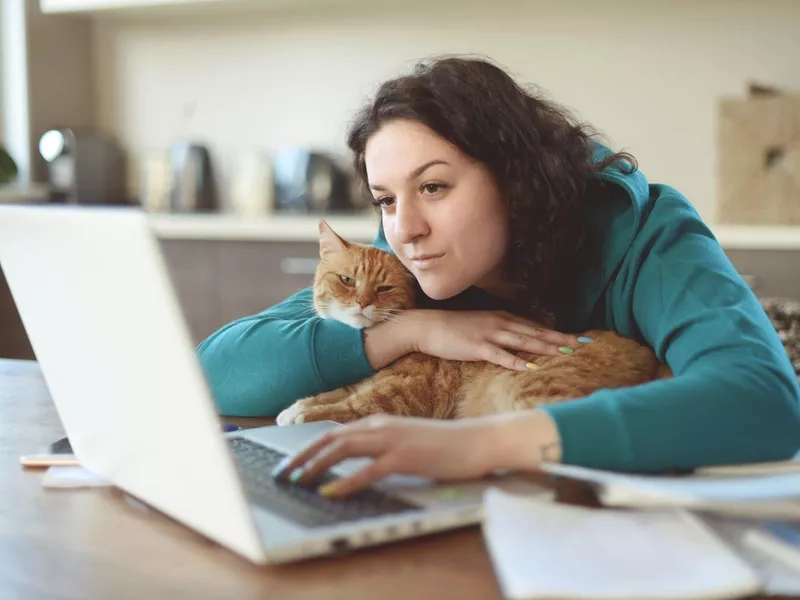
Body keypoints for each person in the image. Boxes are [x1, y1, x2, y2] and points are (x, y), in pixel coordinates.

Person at [197, 56, 800, 499]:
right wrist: (414, 332)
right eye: (385, 199)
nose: (405, 228)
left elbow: (765, 401)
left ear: (515, 185)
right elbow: (215, 367)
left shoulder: (649, 233)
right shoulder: (400, 258)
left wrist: (480, 444)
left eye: (433, 187)